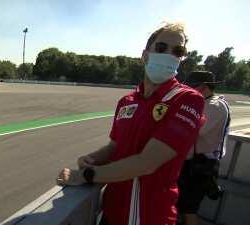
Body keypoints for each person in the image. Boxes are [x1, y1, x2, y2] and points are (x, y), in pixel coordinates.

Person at [56, 22, 205, 225]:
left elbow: (148, 162)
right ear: (145, 56)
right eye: (162, 48)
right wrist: (92, 158)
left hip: (150, 217)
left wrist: (87, 175)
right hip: (111, 211)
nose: (170, 55)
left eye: (177, 51)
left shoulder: (188, 100)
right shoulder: (127, 101)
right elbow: (114, 146)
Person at [177, 71, 231, 225]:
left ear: (204, 87)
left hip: (200, 166)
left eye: (192, 87)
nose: (188, 90)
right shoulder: (205, 102)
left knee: (189, 210)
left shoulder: (215, 106)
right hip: (192, 163)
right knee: (182, 207)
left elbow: (192, 129)